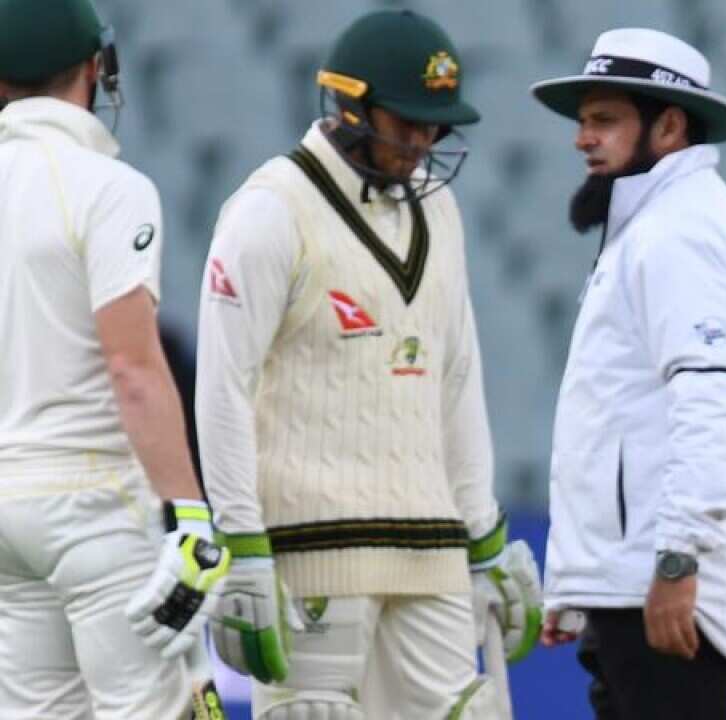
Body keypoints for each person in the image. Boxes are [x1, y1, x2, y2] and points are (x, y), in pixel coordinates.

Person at [195, 10, 540, 719]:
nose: (422, 142)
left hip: (431, 548)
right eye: (406, 121)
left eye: (435, 125)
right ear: (347, 102)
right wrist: (243, 545)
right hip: (313, 548)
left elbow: (458, 377)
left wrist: (484, 533)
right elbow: (223, 387)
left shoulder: (440, 209)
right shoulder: (271, 210)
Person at [531, 28, 726, 720]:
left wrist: (677, 559)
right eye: (583, 121)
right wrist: (577, 581)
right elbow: (616, 414)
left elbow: (715, 399)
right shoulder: (657, 225)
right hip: (633, 583)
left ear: (670, 125)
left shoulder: (677, 230)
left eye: (605, 119)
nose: (583, 138)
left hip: (662, 590)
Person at [0, 0, 230, 717]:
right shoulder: (110, 187)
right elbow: (133, 367)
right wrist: (192, 518)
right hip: (93, 504)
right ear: (98, 69)